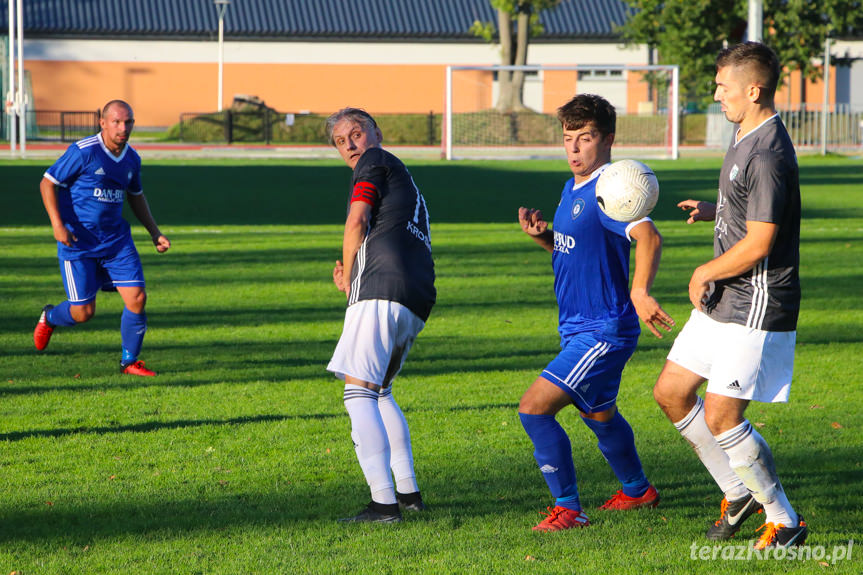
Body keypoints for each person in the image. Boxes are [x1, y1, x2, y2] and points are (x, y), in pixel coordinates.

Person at [653, 42, 807, 549]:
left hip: (758, 301)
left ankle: (784, 520)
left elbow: (761, 242)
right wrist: (711, 208)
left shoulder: (768, 152)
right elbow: (746, 213)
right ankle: (736, 491)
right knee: (672, 393)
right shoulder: (745, 133)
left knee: (722, 414)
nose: (716, 93)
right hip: (727, 297)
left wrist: (703, 270)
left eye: (723, 86)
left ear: (753, 90)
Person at [517, 93, 674, 532]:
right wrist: (545, 237)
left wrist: (640, 291)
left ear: (607, 139)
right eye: (568, 138)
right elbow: (578, 251)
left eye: (584, 138)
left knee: (533, 410)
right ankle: (638, 489)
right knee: (599, 414)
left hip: (602, 330)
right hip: (577, 327)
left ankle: (568, 508)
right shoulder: (573, 187)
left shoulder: (613, 191)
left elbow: (649, 237)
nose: (573, 149)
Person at [325, 107, 435, 523]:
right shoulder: (404, 177)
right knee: (381, 390)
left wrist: (350, 273)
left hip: (381, 286)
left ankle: (383, 504)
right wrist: (353, 267)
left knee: (358, 393)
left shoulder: (374, 162)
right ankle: (408, 493)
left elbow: (358, 219)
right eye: (341, 141)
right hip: (416, 294)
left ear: (377, 133)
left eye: (357, 133)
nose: (351, 145)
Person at [33, 100, 170, 376]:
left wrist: (155, 232)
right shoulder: (83, 152)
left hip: (116, 242)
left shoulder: (132, 158)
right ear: (103, 122)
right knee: (83, 313)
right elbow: (47, 182)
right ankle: (50, 316)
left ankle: (129, 361)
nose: (123, 128)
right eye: (117, 122)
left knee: (137, 298)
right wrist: (57, 226)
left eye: (128, 122)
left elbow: (135, 195)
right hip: (78, 244)